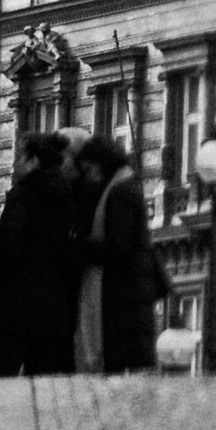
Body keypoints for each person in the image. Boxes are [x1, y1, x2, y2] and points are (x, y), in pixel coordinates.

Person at [0, 132, 79, 377]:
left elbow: (8, 251)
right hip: (55, 312)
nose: (13, 164)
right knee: (44, 387)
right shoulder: (71, 197)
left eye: (19, 157)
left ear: (34, 161)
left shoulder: (22, 197)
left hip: (16, 309)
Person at [76, 135, 159, 375]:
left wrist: (78, 244)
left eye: (89, 169)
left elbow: (118, 248)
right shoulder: (125, 185)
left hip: (123, 300)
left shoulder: (119, 192)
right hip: (128, 297)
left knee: (118, 369)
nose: (88, 177)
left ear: (100, 165)